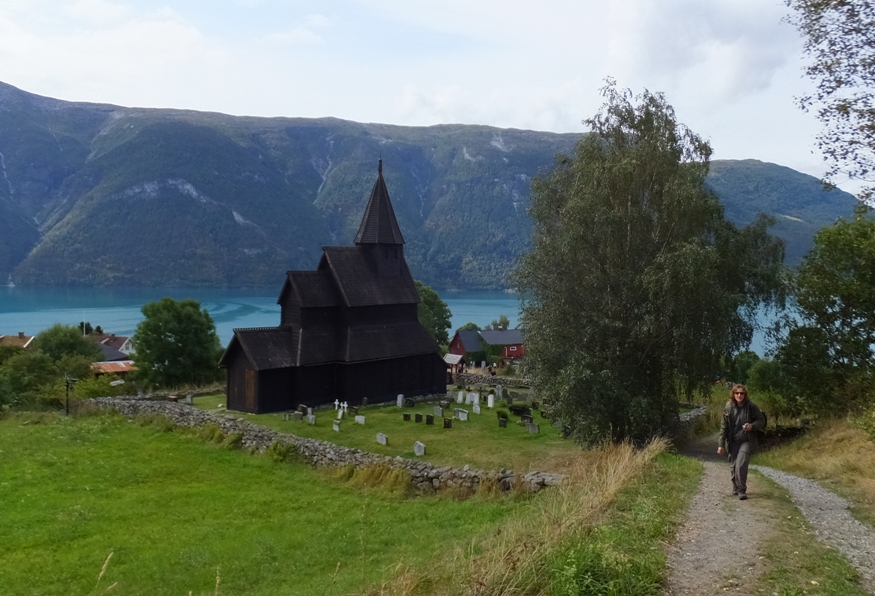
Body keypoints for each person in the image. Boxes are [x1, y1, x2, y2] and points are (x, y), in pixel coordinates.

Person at [717, 384, 766, 500]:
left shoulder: (751, 407)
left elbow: (761, 420)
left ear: (745, 395)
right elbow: (723, 427)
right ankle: (735, 486)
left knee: (741, 465)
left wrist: (752, 426)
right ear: (733, 394)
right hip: (733, 441)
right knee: (733, 466)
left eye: (742, 393)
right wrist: (721, 444)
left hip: (747, 440)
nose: (739, 395)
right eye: (737, 393)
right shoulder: (728, 407)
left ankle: (741, 490)